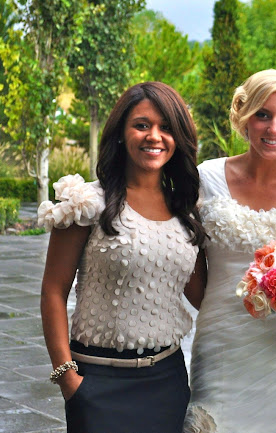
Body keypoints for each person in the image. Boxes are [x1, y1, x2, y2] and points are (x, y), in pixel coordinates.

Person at [38, 82, 208, 433]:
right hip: (97, 383)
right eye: (142, 125)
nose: (154, 136)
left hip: (168, 381)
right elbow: (53, 290)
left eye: (166, 127)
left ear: (179, 138)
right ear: (120, 133)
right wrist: (68, 379)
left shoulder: (186, 211)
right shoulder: (87, 203)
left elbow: (202, 295)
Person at [183, 69, 276, 433]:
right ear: (243, 116)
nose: (273, 128)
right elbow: (190, 268)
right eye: (262, 114)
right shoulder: (206, 179)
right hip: (220, 346)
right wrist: (222, 310)